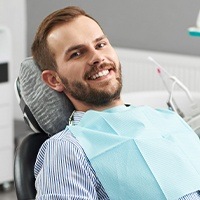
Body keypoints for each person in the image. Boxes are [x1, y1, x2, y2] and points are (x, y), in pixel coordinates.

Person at [31, 6, 200, 200]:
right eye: (77, 54)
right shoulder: (67, 150)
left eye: (100, 44)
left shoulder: (167, 120)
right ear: (54, 79)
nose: (97, 57)